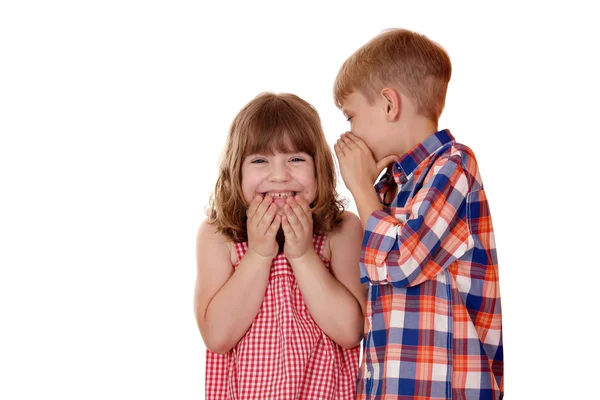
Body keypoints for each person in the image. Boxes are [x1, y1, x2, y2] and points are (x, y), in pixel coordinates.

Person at [333, 28, 503, 399]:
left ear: (389, 104)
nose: (350, 133)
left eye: (351, 117)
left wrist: (360, 188)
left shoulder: (454, 166)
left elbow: (402, 259)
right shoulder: (386, 191)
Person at [194, 92, 364, 399]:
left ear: (319, 168)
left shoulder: (342, 230)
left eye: (296, 159)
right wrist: (259, 254)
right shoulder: (217, 237)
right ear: (237, 171)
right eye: (260, 160)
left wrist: (302, 255)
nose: (279, 175)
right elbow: (218, 337)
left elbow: (351, 333)